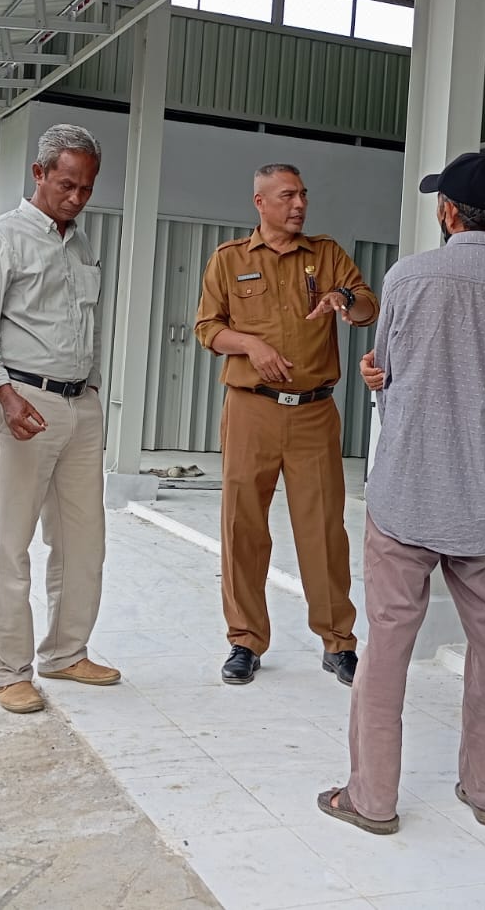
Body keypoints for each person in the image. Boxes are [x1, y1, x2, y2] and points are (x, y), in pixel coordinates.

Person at [318, 152, 485, 835]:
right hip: (482, 496)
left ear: (448, 211)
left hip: (408, 493)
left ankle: (373, 798)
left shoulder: (409, 276)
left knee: (388, 644)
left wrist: (381, 378)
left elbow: (386, 370)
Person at [194, 163, 377, 687]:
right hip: (251, 407)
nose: (299, 205)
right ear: (260, 202)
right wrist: (250, 344)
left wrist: (343, 299)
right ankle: (244, 641)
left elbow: (367, 304)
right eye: (287, 196)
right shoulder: (229, 261)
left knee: (322, 529)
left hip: (315, 411)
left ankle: (338, 642)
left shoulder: (327, 254)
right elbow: (208, 327)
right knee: (243, 525)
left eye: (303, 196)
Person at [0, 123, 117, 715]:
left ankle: (65, 652)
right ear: (40, 173)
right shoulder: (2, 239)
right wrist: (3, 396)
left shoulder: (81, 243)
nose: (76, 198)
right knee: (10, 544)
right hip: (22, 403)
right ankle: (9, 669)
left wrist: (92, 392)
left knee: (83, 541)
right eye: (67, 185)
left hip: (81, 405)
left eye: (86, 188)